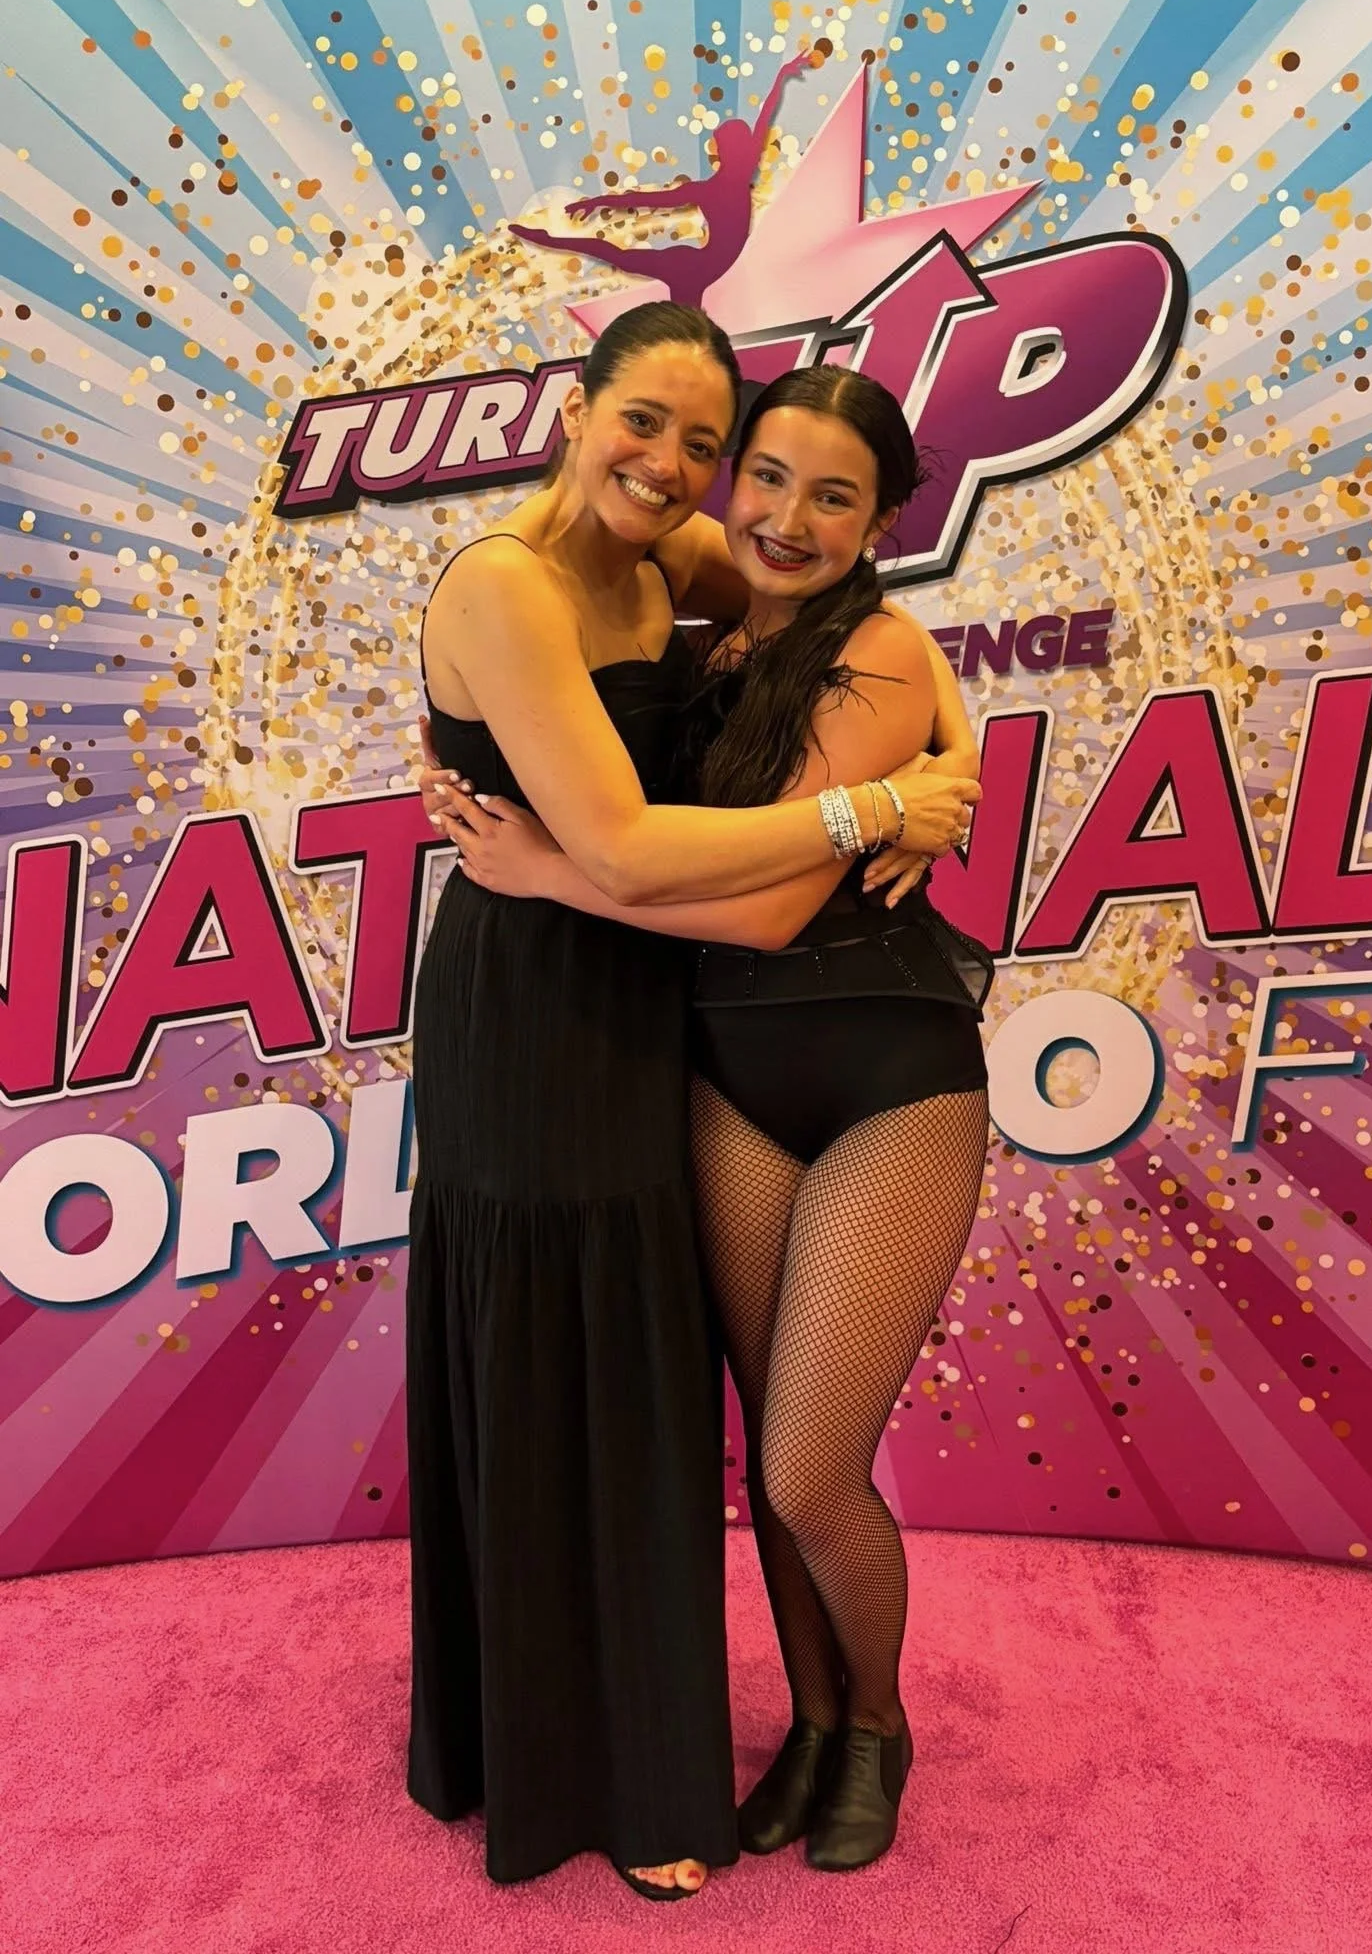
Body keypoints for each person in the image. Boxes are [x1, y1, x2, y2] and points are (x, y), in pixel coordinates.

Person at [407, 305, 979, 1901]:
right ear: (574, 409)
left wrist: (957, 748)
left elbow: (882, 643)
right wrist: (882, 800)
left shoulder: (686, 567)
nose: (685, 471)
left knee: (706, 1421)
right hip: (562, 1017)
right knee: (564, 1374)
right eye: (645, 425)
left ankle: (838, 1727)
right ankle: (634, 1750)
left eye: (705, 447)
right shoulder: (515, 582)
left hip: (737, 1030)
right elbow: (623, 849)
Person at [511, 53, 812, 306]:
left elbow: (764, 117)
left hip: (701, 266)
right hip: (702, 265)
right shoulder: (724, 180)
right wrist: (598, 202)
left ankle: (550, 240)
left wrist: (598, 202)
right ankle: (550, 240)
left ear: (722, 150)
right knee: (623, 257)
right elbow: (645, 201)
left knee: (622, 257)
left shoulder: (718, 184)